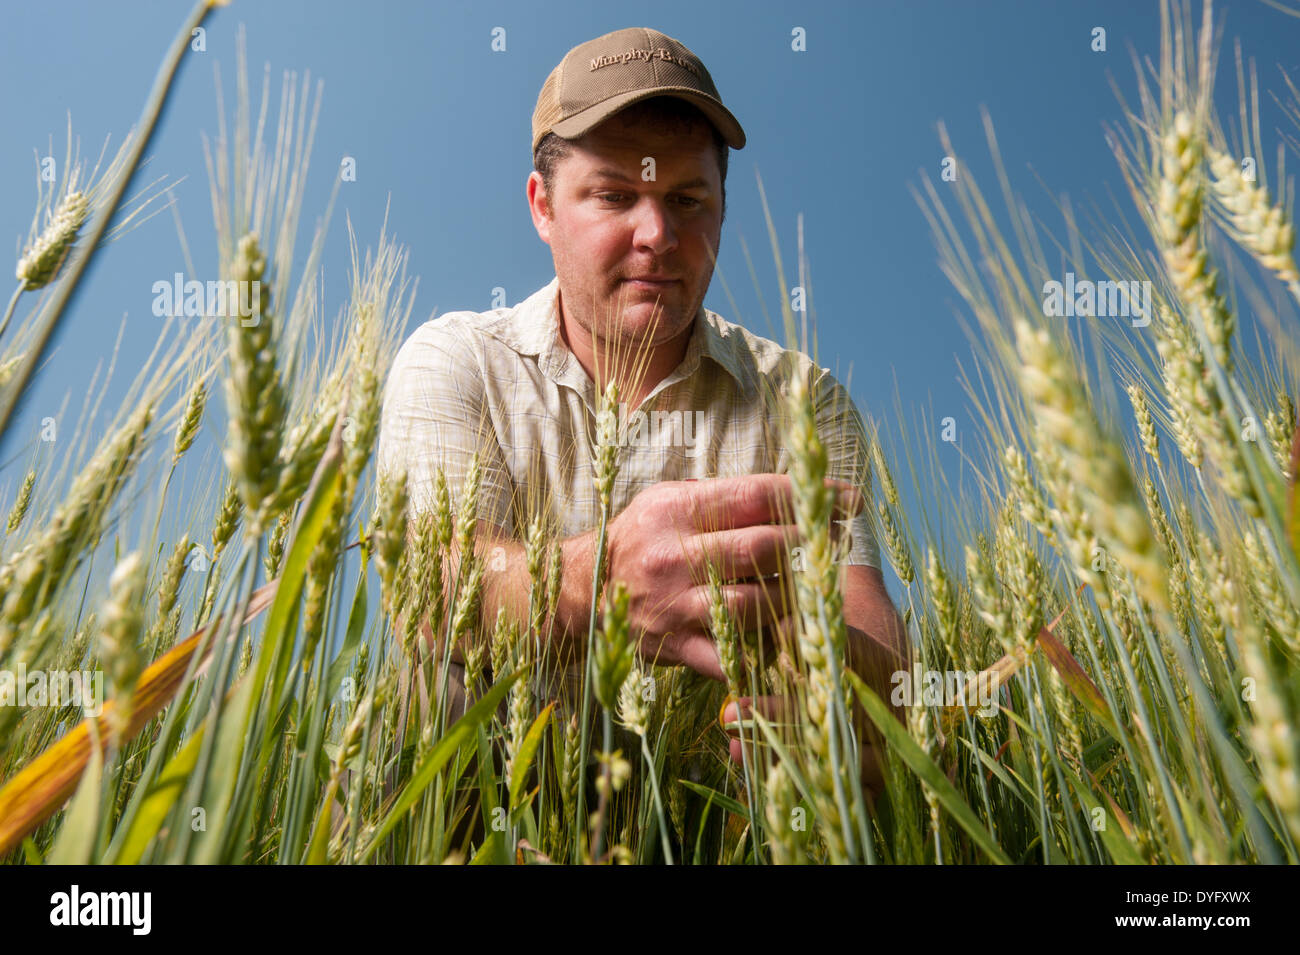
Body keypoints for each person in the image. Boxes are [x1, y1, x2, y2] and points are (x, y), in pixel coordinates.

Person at [377, 27, 908, 794]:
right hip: (520, 790)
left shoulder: (806, 398)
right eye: (615, 195)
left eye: (688, 199)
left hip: (731, 800)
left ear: (723, 209)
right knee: (439, 694)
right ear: (543, 207)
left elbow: (866, 612)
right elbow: (427, 589)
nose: (657, 234)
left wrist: (841, 683)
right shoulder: (456, 360)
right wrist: (600, 582)